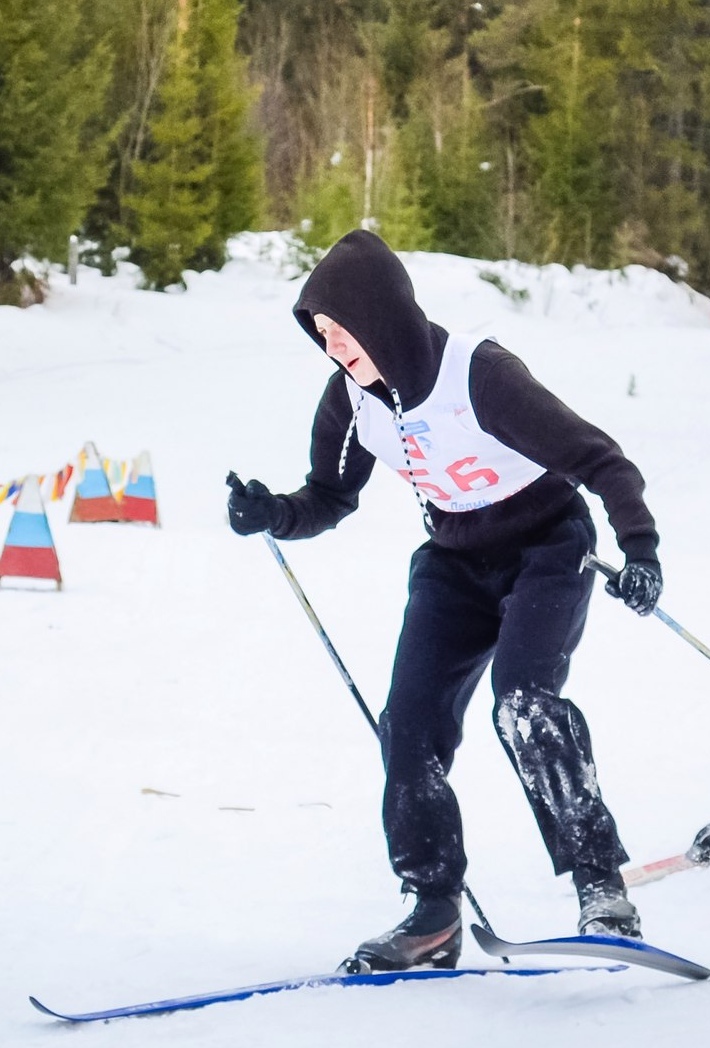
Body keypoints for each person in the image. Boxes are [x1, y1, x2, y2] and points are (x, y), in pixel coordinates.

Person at [227, 229, 662, 972]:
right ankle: (432, 913)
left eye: (340, 331)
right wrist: (275, 514)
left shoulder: (480, 375)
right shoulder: (351, 402)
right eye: (321, 337)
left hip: (548, 547)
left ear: (379, 314)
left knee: (524, 700)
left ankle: (601, 886)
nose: (333, 349)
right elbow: (330, 496)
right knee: (410, 724)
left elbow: (600, 459)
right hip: (455, 562)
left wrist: (641, 548)